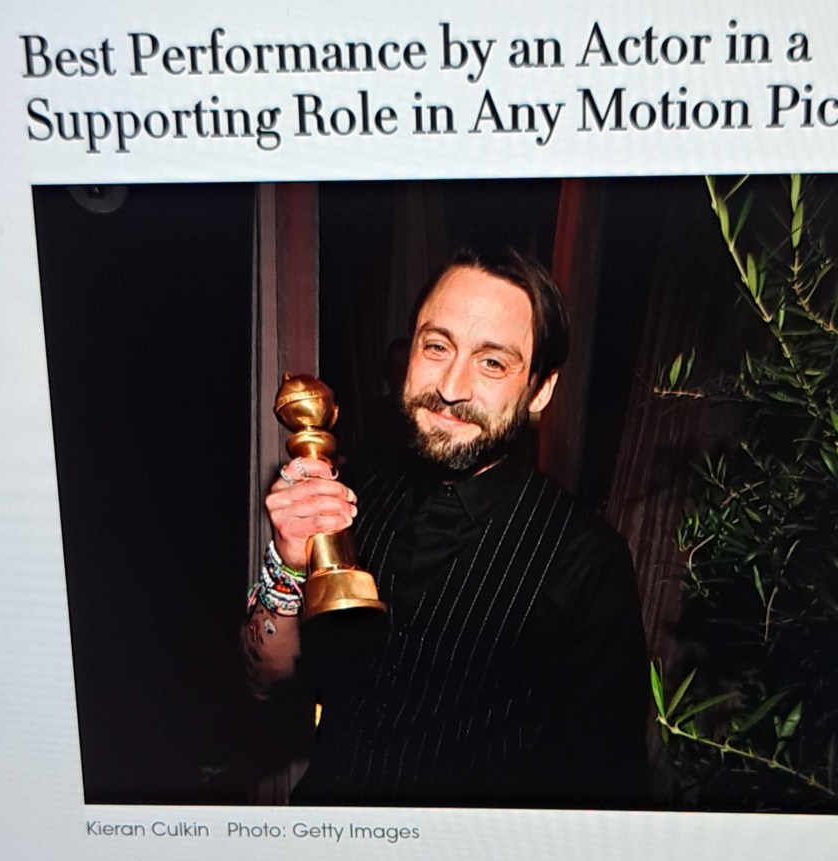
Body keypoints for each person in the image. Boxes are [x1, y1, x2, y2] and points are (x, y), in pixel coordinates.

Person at [242, 248, 648, 807]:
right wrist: (288, 564)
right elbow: (267, 683)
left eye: (492, 363)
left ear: (541, 389)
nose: (452, 387)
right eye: (437, 347)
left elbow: (605, 795)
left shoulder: (587, 563)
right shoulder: (358, 488)